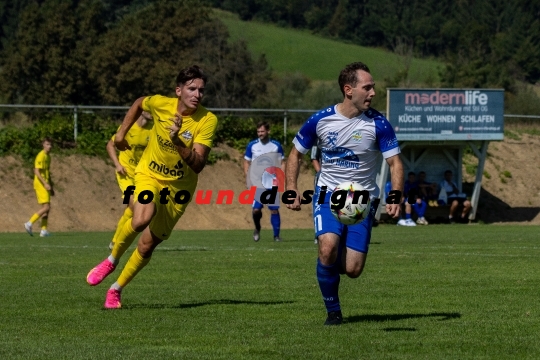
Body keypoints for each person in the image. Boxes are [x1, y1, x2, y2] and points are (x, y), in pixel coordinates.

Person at [86, 65, 218, 309]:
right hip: (149, 175)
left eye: (201, 90)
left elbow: (198, 165)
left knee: (147, 245)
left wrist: (177, 140)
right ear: (178, 91)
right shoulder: (160, 104)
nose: (197, 95)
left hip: (179, 191)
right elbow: (139, 102)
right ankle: (111, 259)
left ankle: (116, 290)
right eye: (191, 89)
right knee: (140, 219)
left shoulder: (208, 120)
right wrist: (121, 134)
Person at [285, 62, 403, 325]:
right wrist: (290, 188)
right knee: (327, 248)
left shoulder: (379, 124)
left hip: (362, 200)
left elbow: (395, 163)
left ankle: (334, 258)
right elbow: (295, 154)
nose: (373, 93)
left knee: (353, 269)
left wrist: (395, 196)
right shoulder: (321, 120)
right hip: (328, 194)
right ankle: (333, 312)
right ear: (349, 90)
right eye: (368, 87)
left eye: (373, 87)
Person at [106, 111, 153, 250]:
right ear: (142, 111)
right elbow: (110, 145)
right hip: (125, 174)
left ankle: (116, 240)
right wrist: (117, 164)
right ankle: (116, 242)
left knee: (133, 209)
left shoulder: (152, 130)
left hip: (141, 175)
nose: (152, 113)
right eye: (149, 110)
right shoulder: (127, 127)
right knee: (133, 204)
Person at [243, 122, 285, 242]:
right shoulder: (252, 145)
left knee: (274, 209)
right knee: (256, 210)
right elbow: (246, 161)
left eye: (262, 131)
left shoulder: (276, 145)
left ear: (268, 131)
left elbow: (282, 162)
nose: (260, 134)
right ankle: (257, 228)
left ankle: (276, 236)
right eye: (258, 132)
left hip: (272, 182)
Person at [24, 138, 54, 237]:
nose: (49, 146)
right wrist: (45, 183)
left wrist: (51, 185)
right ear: (43, 145)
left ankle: (43, 230)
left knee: (47, 208)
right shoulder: (41, 156)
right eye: (47, 144)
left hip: (45, 184)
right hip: (40, 184)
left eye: (50, 144)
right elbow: (36, 171)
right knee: (46, 207)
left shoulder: (48, 157)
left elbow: (47, 172)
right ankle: (29, 223)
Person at [311, 144, 321, 244]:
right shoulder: (317, 140)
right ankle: (318, 234)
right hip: (323, 180)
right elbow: (314, 158)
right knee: (320, 204)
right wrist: (321, 174)